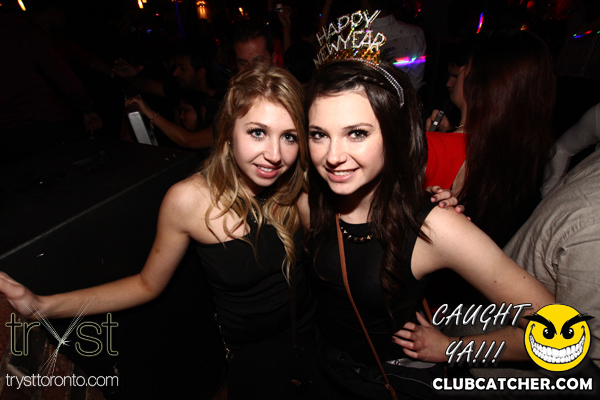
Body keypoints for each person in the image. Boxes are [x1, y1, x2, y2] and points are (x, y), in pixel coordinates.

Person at [0, 63, 316, 400]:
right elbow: (146, 284)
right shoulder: (189, 201)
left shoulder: (296, 188)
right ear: (227, 130)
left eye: (289, 137)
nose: (274, 155)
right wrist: (42, 306)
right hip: (251, 356)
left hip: (311, 333)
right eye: (257, 132)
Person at [299, 58, 554, 399]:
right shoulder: (310, 199)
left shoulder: (436, 227)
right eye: (319, 134)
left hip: (384, 383)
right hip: (324, 370)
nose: (333, 156)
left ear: (396, 134)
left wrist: (452, 348)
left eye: (357, 133)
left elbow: (563, 335)